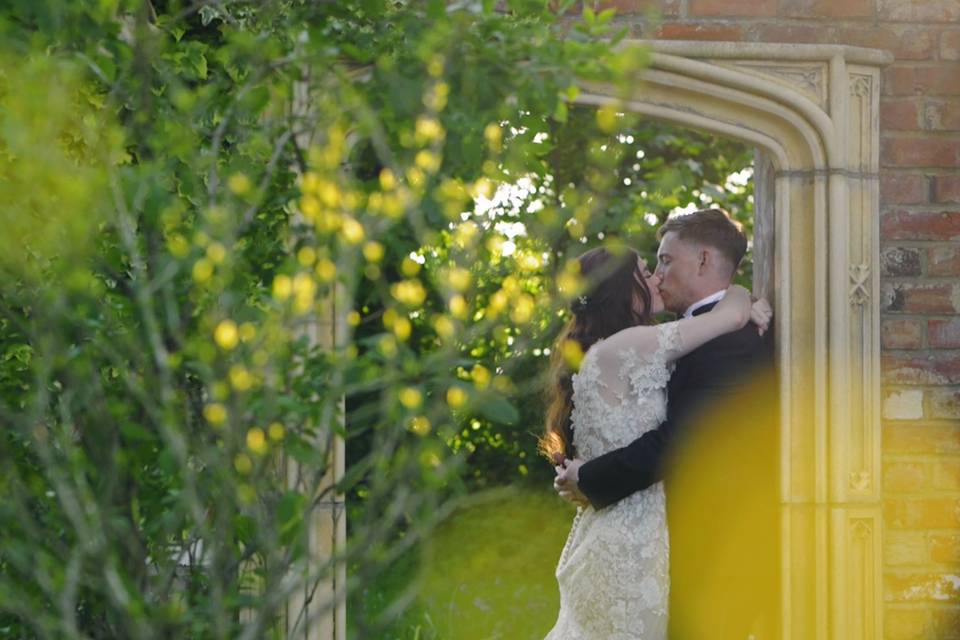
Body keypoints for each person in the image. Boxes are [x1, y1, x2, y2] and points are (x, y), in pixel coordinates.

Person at [553, 208, 778, 639]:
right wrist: (744, 298)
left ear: (704, 261)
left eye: (664, 261)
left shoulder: (727, 342)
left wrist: (588, 476)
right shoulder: (654, 341)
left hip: (694, 550)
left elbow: (682, 442)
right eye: (650, 267)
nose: (657, 275)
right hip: (638, 544)